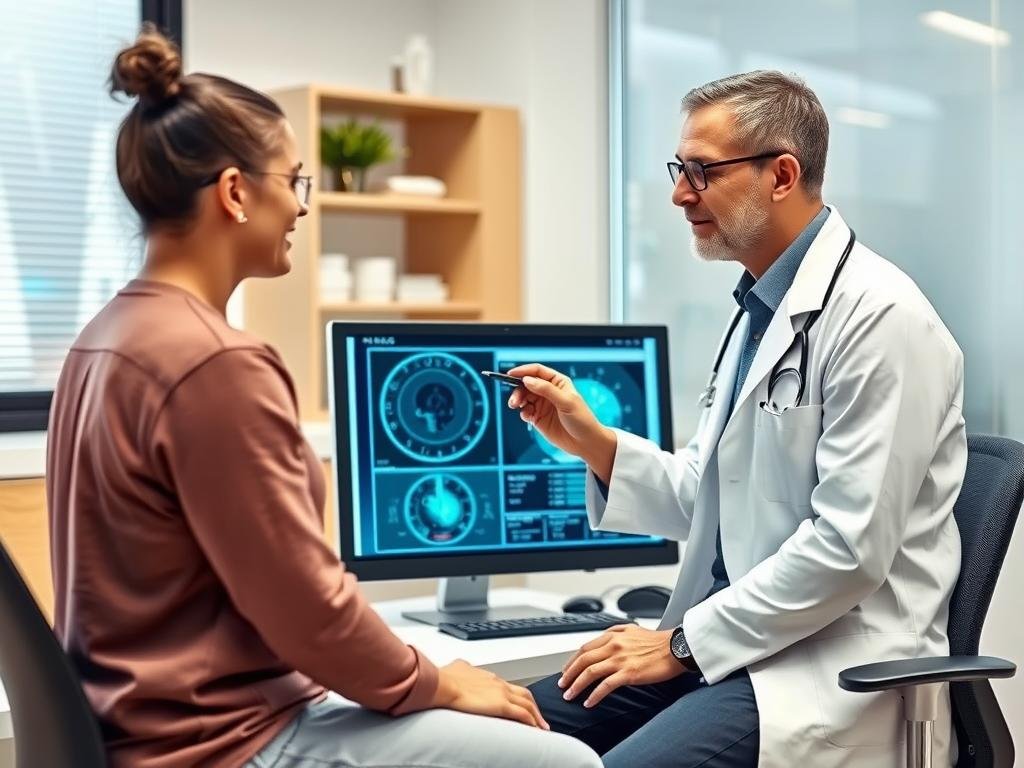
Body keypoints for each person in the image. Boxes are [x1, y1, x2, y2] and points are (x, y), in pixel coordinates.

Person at [45, 25, 600, 768]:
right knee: (566, 760)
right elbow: (307, 612)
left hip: (146, 730)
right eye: (295, 182)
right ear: (237, 193)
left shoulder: (104, 339)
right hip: (226, 743)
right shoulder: (214, 363)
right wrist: (438, 681)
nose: (303, 208)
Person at [509, 70, 966, 767]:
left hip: (822, 664)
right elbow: (713, 498)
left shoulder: (884, 320)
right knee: (500, 732)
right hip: (738, 641)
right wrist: (594, 443)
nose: (678, 192)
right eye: (678, 168)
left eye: (701, 171)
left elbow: (848, 550)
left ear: (782, 175)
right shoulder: (762, 308)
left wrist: (681, 644)